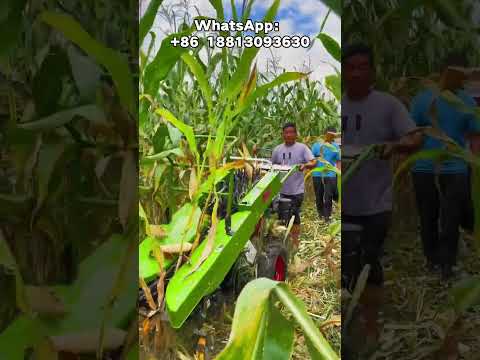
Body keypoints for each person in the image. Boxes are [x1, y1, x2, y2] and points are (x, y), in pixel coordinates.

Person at [341, 43, 423, 343]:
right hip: (344, 202)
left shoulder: (387, 105)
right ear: (344, 72)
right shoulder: (338, 105)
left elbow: (414, 137)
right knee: (347, 263)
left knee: (369, 261)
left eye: (363, 66)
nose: (357, 73)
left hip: (376, 203)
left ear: (373, 71)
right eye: (351, 67)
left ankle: (371, 323)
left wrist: (395, 145)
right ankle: (347, 321)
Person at [410, 53, 480, 280]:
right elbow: (412, 134)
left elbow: (475, 134)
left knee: (446, 218)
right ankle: (437, 263)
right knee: (432, 216)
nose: (464, 80)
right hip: (430, 168)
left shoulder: (465, 101)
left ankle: (444, 265)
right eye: (460, 75)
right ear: (447, 73)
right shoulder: (425, 100)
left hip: (450, 168)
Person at [271, 123, 317, 251]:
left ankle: (295, 245)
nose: (289, 135)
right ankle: (283, 244)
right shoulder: (277, 150)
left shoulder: (302, 148)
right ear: (282, 134)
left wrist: (305, 165)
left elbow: (314, 162)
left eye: (292, 132)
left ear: (296, 134)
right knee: (281, 218)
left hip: (296, 190)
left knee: (294, 217)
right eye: (286, 132)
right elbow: (272, 166)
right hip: (281, 190)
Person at [311, 127, 340, 222]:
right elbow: (312, 160)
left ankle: (327, 217)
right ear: (325, 134)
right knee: (319, 195)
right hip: (317, 174)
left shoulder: (335, 146)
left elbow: (339, 161)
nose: (332, 137)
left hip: (331, 174)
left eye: (334, 135)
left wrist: (339, 173)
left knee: (329, 196)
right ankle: (320, 215)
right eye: (330, 135)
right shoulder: (316, 145)